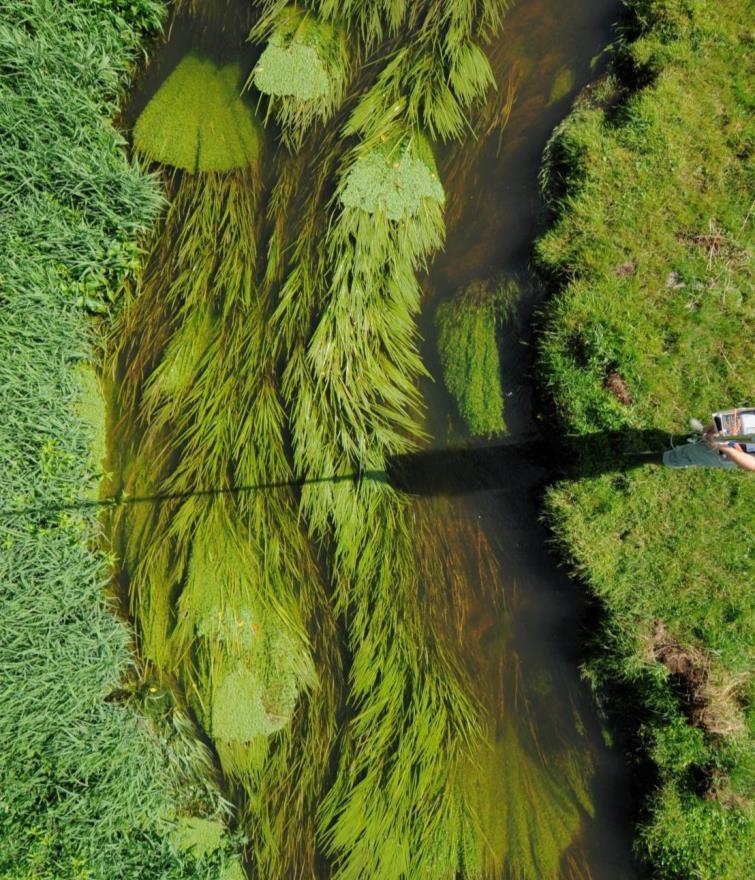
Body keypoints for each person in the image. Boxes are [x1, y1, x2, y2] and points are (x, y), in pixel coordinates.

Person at [663, 414, 755, 471]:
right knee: (710, 433)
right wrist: (718, 426)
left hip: (732, 453)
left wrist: (727, 449)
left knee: (687, 455)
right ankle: (700, 437)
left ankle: (672, 459)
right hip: (742, 431)